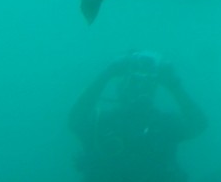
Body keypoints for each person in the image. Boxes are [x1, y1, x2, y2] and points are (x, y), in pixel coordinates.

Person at [70, 51, 208, 182]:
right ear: (120, 87)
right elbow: (75, 120)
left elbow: (198, 124)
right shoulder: (101, 121)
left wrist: (174, 85)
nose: (140, 88)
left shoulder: (165, 124)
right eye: (134, 83)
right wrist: (106, 74)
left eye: (147, 84)